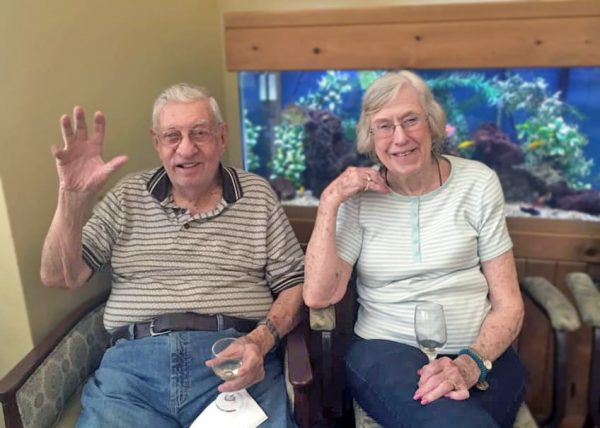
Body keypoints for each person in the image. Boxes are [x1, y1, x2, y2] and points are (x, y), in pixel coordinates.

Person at [40, 83, 305, 427]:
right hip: (132, 373)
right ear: (157, 142)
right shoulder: (126, 197)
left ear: (222, 137)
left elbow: (294, 285)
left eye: (200, 133)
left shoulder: (256, 195)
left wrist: (260, 340)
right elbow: (61, 276)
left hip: (230, 358)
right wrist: (72, 200)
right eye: (172, 136)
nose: (186, 148)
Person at [303, 70, 526, 428]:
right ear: (370, 135)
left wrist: (471, 363)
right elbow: (319, 295)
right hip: (386, 350)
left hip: (483, 351)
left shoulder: (478, 183)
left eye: (411, 120)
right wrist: (330, 201)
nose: (400, 138)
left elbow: (509, 303)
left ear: (432, 123)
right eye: (384, 126)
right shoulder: (357, 199)